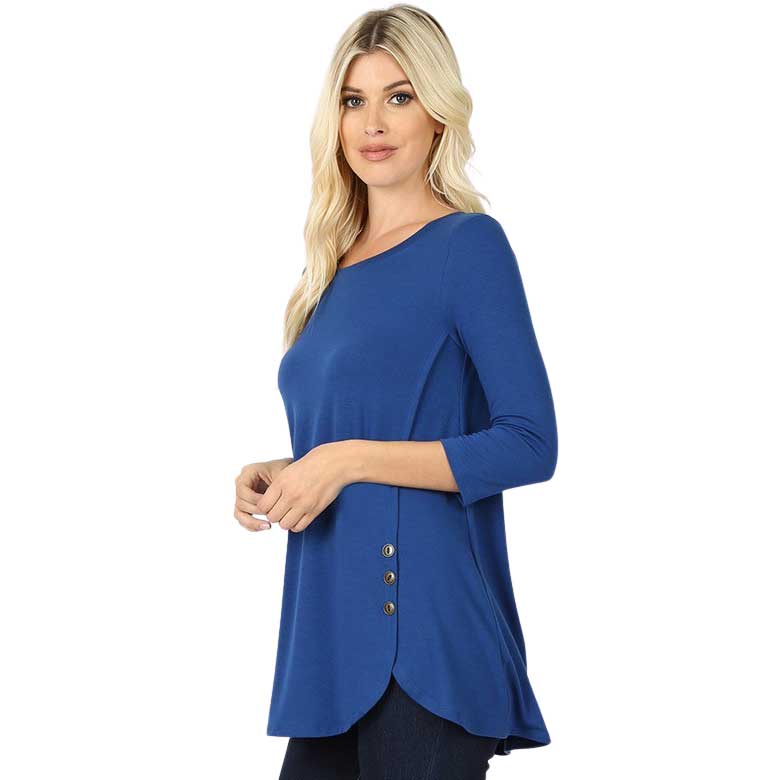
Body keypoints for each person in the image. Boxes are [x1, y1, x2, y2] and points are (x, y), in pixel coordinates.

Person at [233, 5, 558, 779]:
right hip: (328, 648)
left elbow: (529, 442)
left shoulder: (469, 246)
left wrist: (344, 460)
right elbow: (377, 428)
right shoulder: (329, 267)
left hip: (426, 644)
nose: (373, 123)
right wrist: (294, 469)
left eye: (399, 96)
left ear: (438, 114)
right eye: (354, 100)